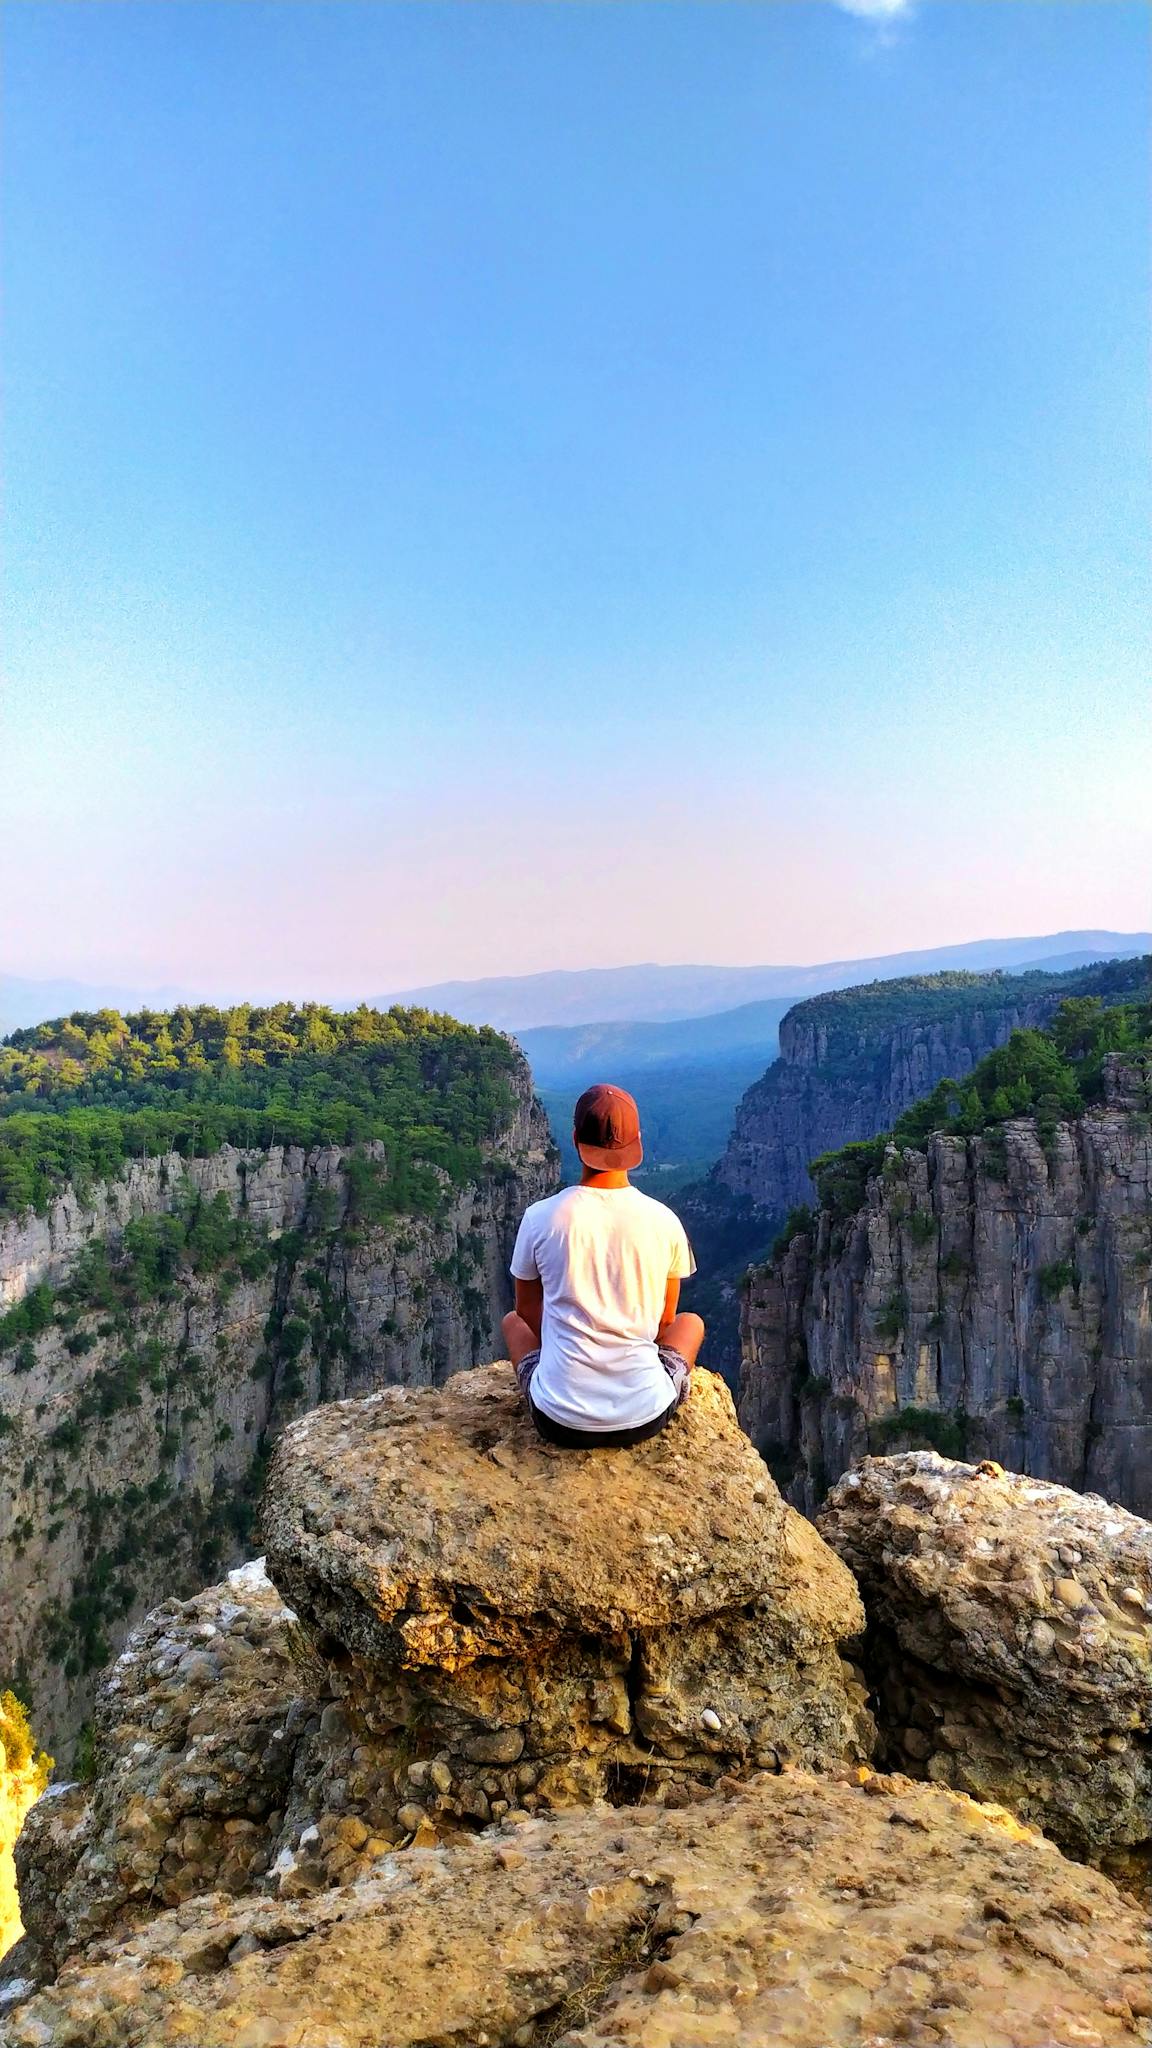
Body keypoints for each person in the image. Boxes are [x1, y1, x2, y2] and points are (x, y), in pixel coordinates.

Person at [502, 1082, 705, 1448]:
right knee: (692, 1324)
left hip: (557, 1420)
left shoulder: (539, 1218)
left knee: (511, 1322)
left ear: (576, 1138)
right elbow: (665, 1320)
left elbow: (527, 1310)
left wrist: (570, 1345)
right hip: (645, 1416)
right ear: (638, 1142)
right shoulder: (664, 1220)